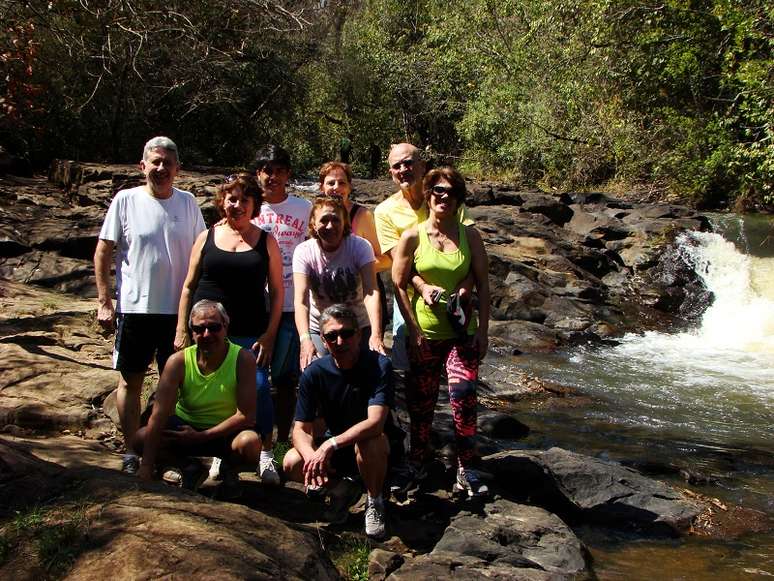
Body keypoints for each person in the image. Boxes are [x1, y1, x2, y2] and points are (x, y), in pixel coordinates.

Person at [94, 136, 206, 475]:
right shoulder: (125, 200)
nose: (160, 169)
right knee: (131, 382)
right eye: (154, 162)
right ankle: (132, 450)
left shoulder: (188, 204)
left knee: (175, 387)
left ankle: (164, 451)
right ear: (142, 166)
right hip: (135, 309)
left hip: (178, 314)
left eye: (167, 163)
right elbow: (103, 251)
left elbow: (202, 253)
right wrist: (104, 300)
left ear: (178, 169)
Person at [175, 173, 283, 485]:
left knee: (259, 388)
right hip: (206, 331)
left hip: (251, 331)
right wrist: (182, 328)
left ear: (254, 206)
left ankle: (264, 452)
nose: (236, 205)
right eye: (231, 198)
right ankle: (213, 457)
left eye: (244, 200)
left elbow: (277, 291)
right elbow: (188, 287)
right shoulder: (206, 237)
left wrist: (270, 333)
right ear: (222, 201)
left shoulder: (266, 241)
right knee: (211, 391)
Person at [392, 166, 490, 498]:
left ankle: (467, 467)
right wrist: (414, 332)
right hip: (426, 334)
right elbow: (398, 284)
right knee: (421, 406)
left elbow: (483, 284)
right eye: (436, 190)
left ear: (459, 198)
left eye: (449, 191)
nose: (442, 196)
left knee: (463, 397)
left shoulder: (470, 235)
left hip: (462, 332)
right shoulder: (413, 236)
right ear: (428, 195)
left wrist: (484, 332)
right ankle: (417, 462)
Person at [282, 304, 392, 540]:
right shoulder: (314, 373)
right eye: (331, 336)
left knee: (369, 442)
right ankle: (342, 490)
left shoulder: (379, 366)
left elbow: (375, 423)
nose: (340, 341)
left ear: (359, 334)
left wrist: (329, 445)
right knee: (292, 461)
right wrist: (312, 456)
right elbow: (300, 429)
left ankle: (375, 501)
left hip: (376, 449)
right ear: (322, 339)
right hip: (338, 450)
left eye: (347, 334)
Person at [136, 300, 262, 495]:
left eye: (214, 327)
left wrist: (202, 436)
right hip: (184, 428)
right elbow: (159, 415)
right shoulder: (178, 362)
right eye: (199, 329)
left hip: (225, 433)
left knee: (250, 443)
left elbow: (246, 416)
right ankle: (189, 467)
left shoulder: (242, 359)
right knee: (140, 439)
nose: (207, 334)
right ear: (191, 331)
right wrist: (145, 466)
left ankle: (229, 471)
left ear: (225, 327)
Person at [374, 143, 473, 371]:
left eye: (408, 163)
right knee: (407, 363)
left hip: (455, 293)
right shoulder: (384, 212)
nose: (403, 169)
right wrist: (422, 287)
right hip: (409, 297)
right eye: (396, 166)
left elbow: (470, 246)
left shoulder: (445, 198)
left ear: (422, 165)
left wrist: (465, 289)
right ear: (391, 173)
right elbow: (400, 266)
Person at [250, 145, 312, 443]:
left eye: (277, 170)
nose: (271, 176)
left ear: (287, 173)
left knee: (286, 380)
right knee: (255, 377)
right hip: (256, 305)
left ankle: (282, 440)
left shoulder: (304, 208)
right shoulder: (248, 207)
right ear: (257, 174)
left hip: (292, 306)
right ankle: (255, 437)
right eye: (265, 170)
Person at [293, 195, 385, 369]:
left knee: (366, 373)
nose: (330, 226)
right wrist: (304, 339)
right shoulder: (304, 251)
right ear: (313, 223)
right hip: (319, 325)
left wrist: (376, 333)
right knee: (314, 370)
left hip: (358, 323)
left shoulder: (360, 246)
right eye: (324, 220)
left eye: (335, 220)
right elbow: (301, 300)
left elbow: (371, 291)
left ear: (345, 223)